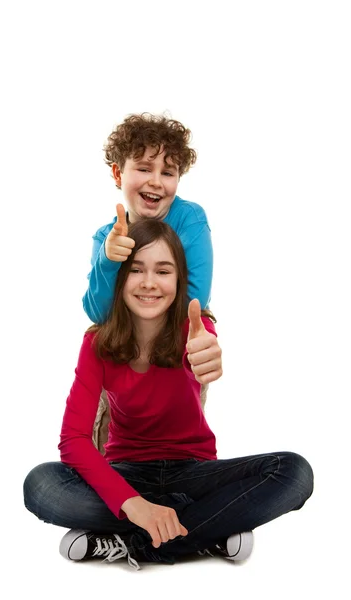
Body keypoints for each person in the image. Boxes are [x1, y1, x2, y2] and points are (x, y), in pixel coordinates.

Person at [23, 220, 314, 571]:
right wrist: (133, 502)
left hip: (194, 473)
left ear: (179, 281)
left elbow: (204, 347)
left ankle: (128, 541)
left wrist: (206, 352)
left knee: (294, 472)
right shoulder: (97, 343)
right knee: (41, 485)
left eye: (163, 270)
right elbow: (73, 440)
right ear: (120, 279)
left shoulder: (197, 330)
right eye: (136, 270)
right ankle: (207, 531)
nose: (149, 283)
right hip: (127, 473)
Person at [83, 113, 214, 452]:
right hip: (124, 339)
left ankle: (180, 476)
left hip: (176, 334)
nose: (156, 181)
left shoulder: (190, 219)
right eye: (144, 168)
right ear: (118, 173)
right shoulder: (104, 237)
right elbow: (97, 311)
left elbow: (196, 297)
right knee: (110, 436)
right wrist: (109, 260)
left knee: (170, 434)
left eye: (168, 173)